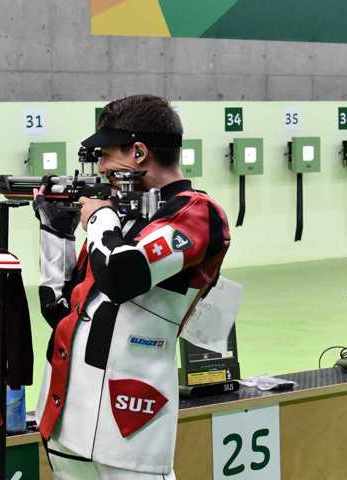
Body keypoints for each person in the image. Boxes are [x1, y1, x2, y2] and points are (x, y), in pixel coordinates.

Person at [34, 95, 231, 479]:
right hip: (67, 424)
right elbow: (59, 310)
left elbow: (122, 276)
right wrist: (54, 232)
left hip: (131, 427)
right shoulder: (119, 224)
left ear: (138, 152)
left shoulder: (197, 213)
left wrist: (100, 217)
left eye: (107, 155)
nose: (102, 167)